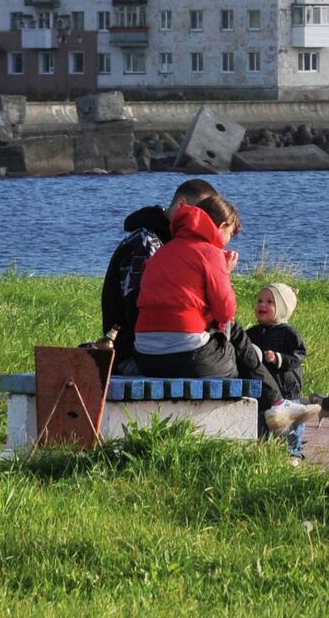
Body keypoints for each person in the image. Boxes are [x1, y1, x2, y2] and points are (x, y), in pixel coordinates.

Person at [96, 179, 220, 374]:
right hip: (137, 352)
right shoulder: (145, 244)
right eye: (202, 214)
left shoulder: (177, 244)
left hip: (166, 346)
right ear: (182, 205)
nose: (206, 224)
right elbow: (137, 309)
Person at [132, 193, 244, 381]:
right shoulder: (210, 253)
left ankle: (275, 399)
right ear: (222, 226)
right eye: (230, 234)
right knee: (232, 356)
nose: (227, 242)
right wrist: (226, 272)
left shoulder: (161, 252)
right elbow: (225, 312)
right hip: (187, 354)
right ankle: (267, 403)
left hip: (145, 356)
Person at [245, 282, 307, 459]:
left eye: (270, 302)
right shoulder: (252, 333)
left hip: (285, 387)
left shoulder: (289, 333)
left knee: (289, 425)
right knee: (262, 421)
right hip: (262, 389)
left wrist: (278, 358)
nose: (262, 305)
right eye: (260, 300)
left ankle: (292, 454)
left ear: (281, 308)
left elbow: (299, 355)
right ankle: (263, 452)